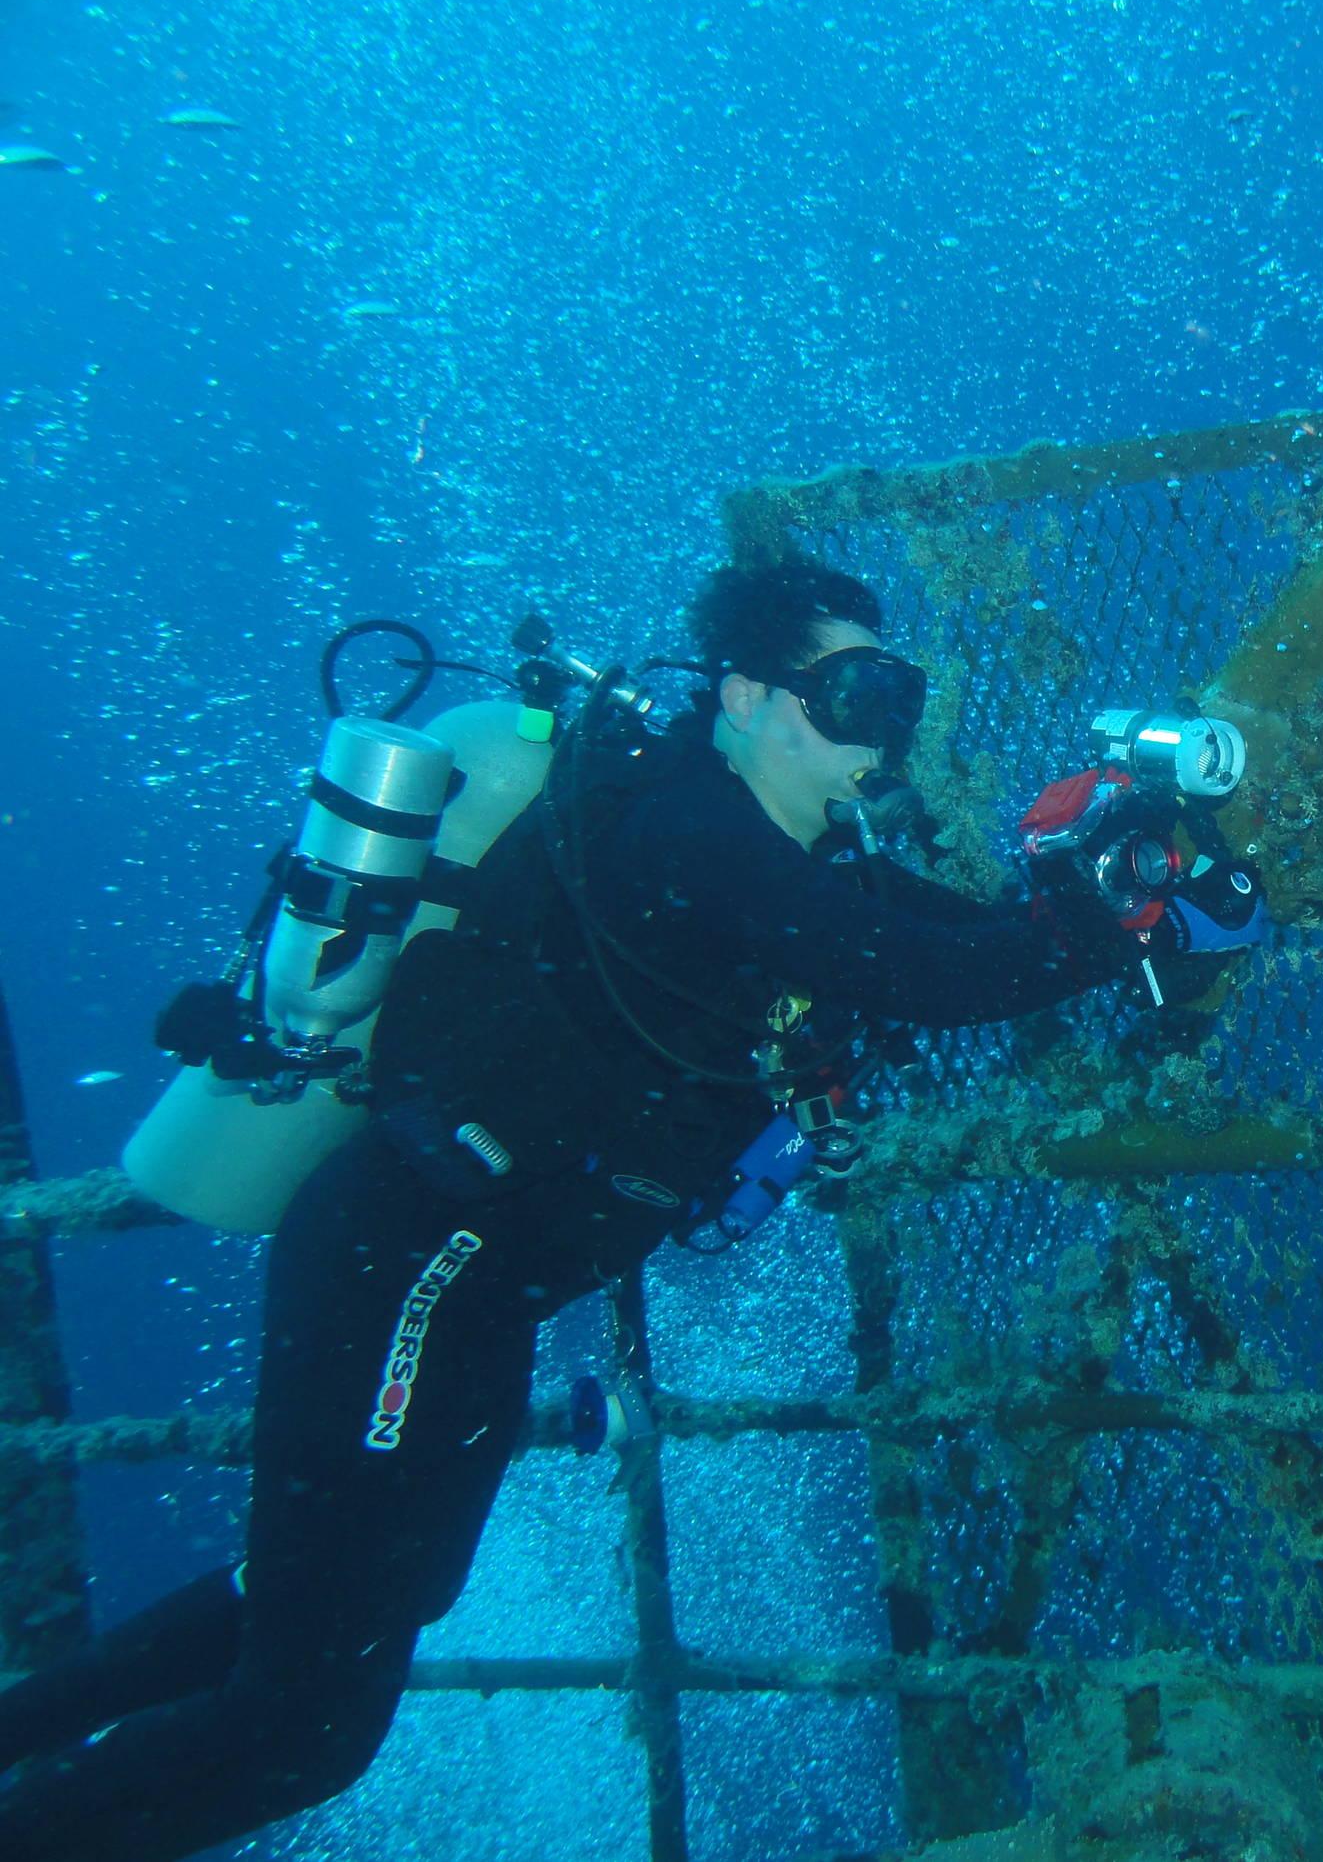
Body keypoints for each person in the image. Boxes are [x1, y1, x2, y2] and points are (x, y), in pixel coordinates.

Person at [0, 558, 1258, 1860]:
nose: (877, 729)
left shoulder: (804, 859)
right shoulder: (688, 836)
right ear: (745, 696)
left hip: (484, 1288)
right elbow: (925, 973)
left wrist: (1111, 888)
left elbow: (962, 943)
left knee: (360, 1599)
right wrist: (1115, 928)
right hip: (410, 1263)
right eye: (849, 693)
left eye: (897, 695)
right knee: (307, 1728)